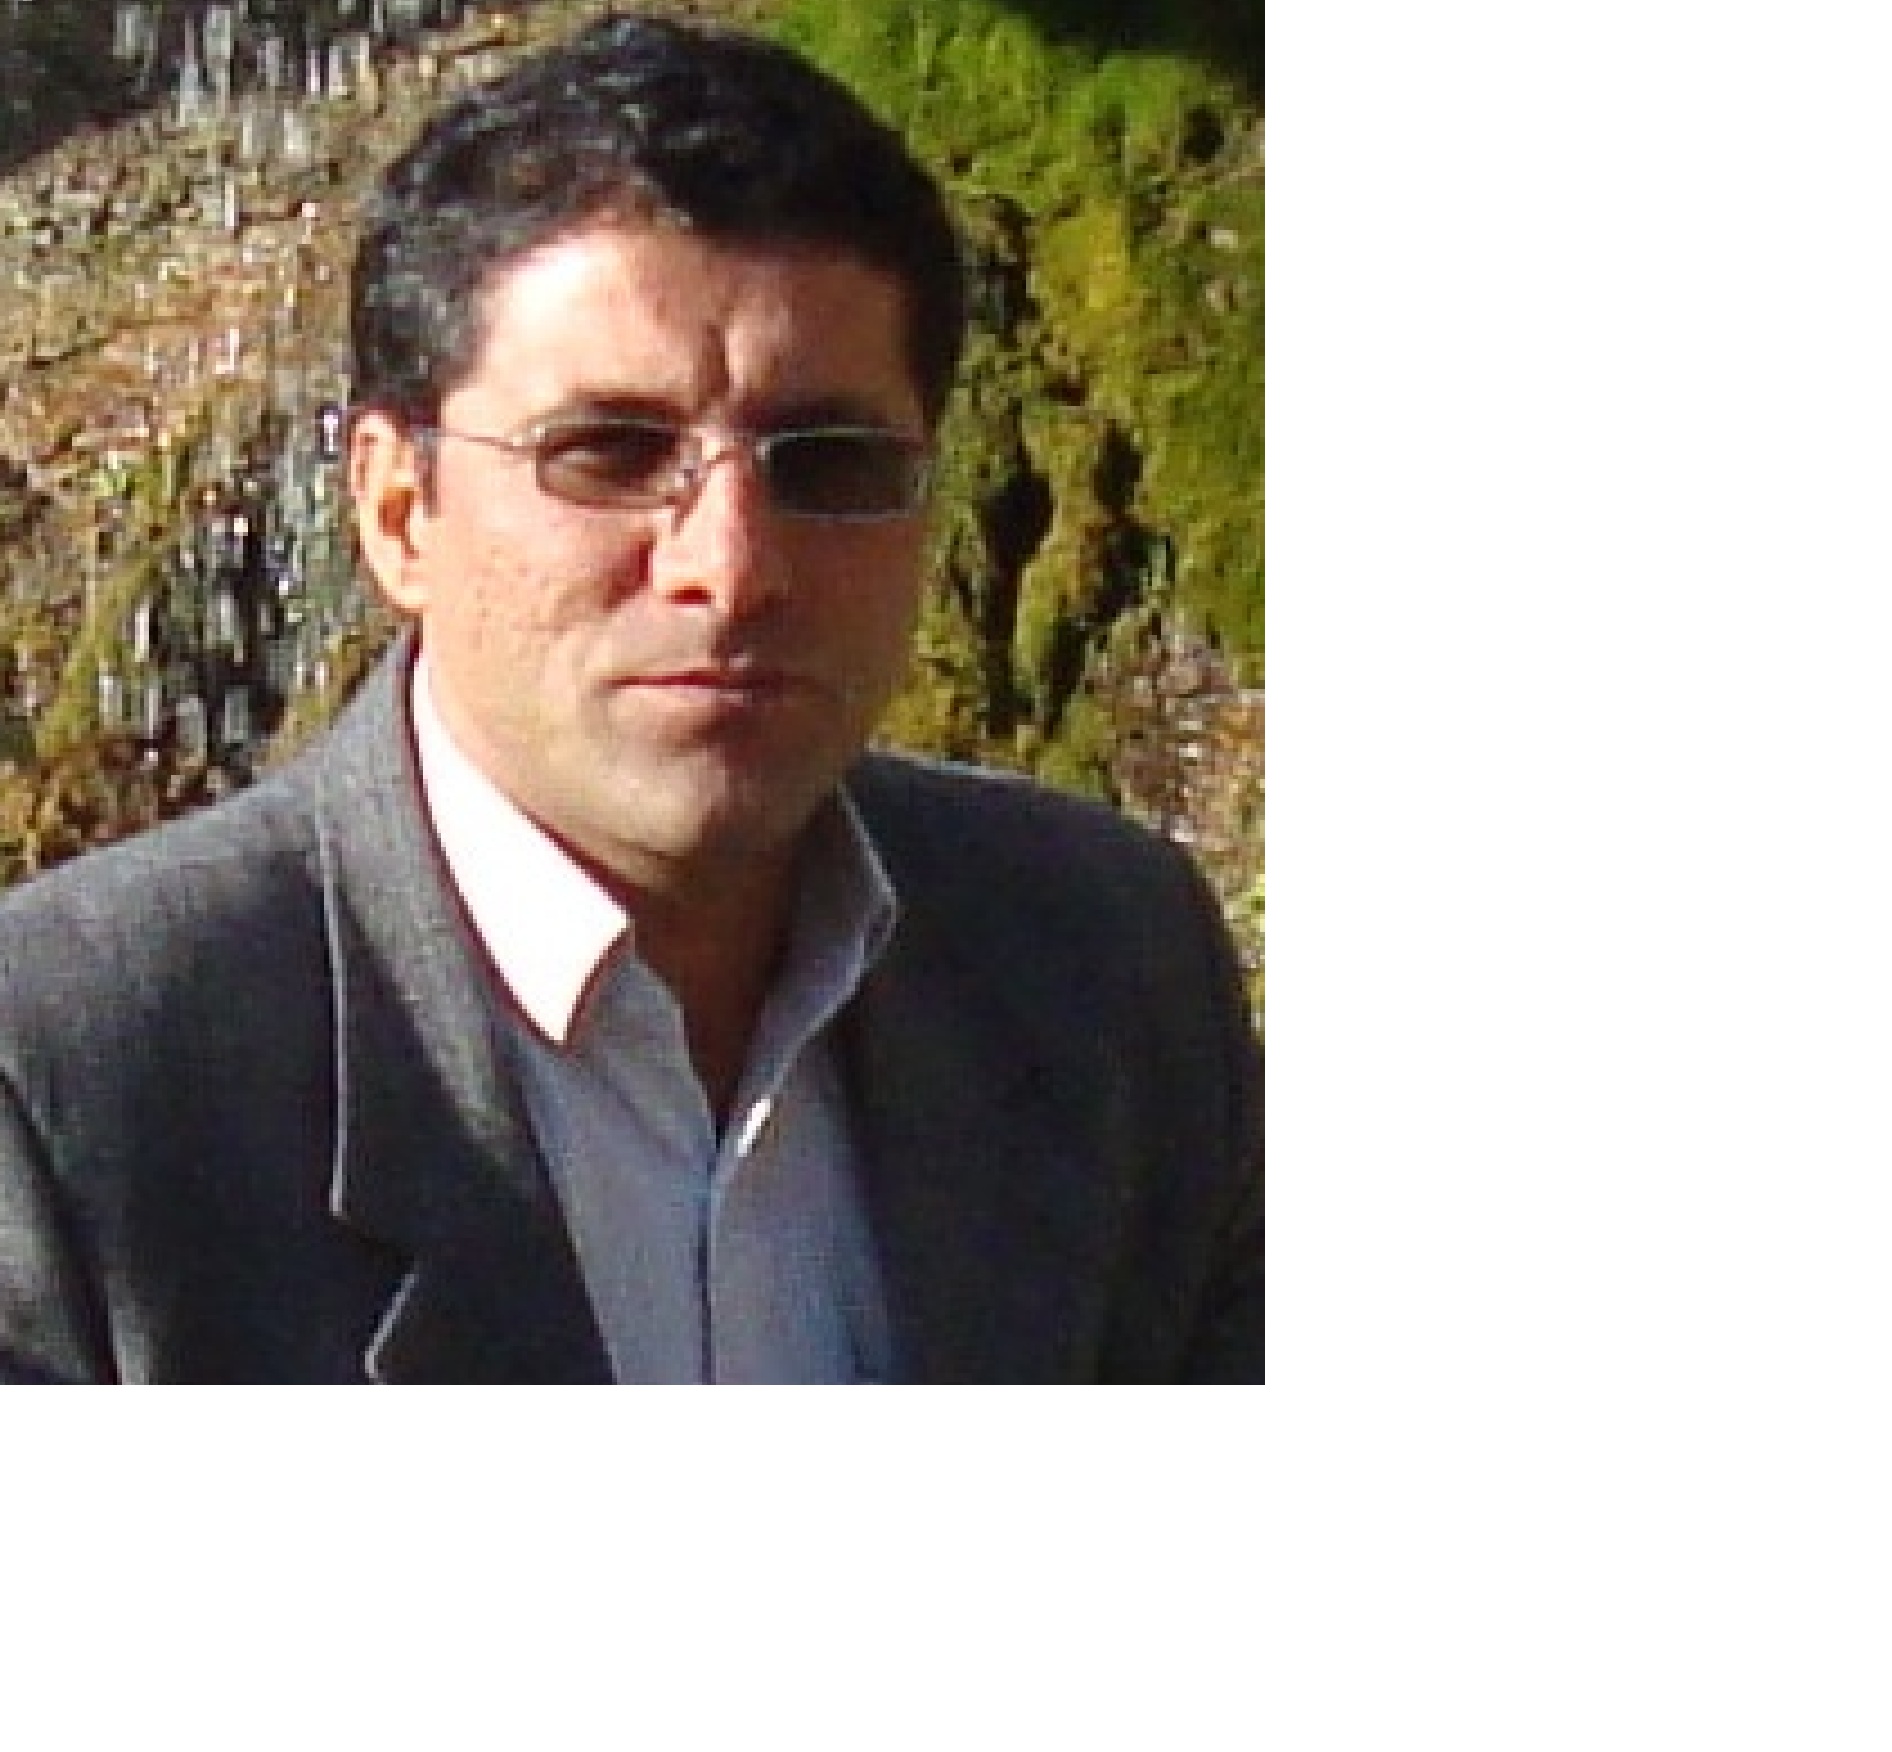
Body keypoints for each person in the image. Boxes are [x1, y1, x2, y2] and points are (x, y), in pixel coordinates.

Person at [0, 13, 1261, 1383]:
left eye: (829, 462)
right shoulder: (74, 1083)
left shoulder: (1107, 968)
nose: (731, 566)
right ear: (397, 509)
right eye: (608, 452)